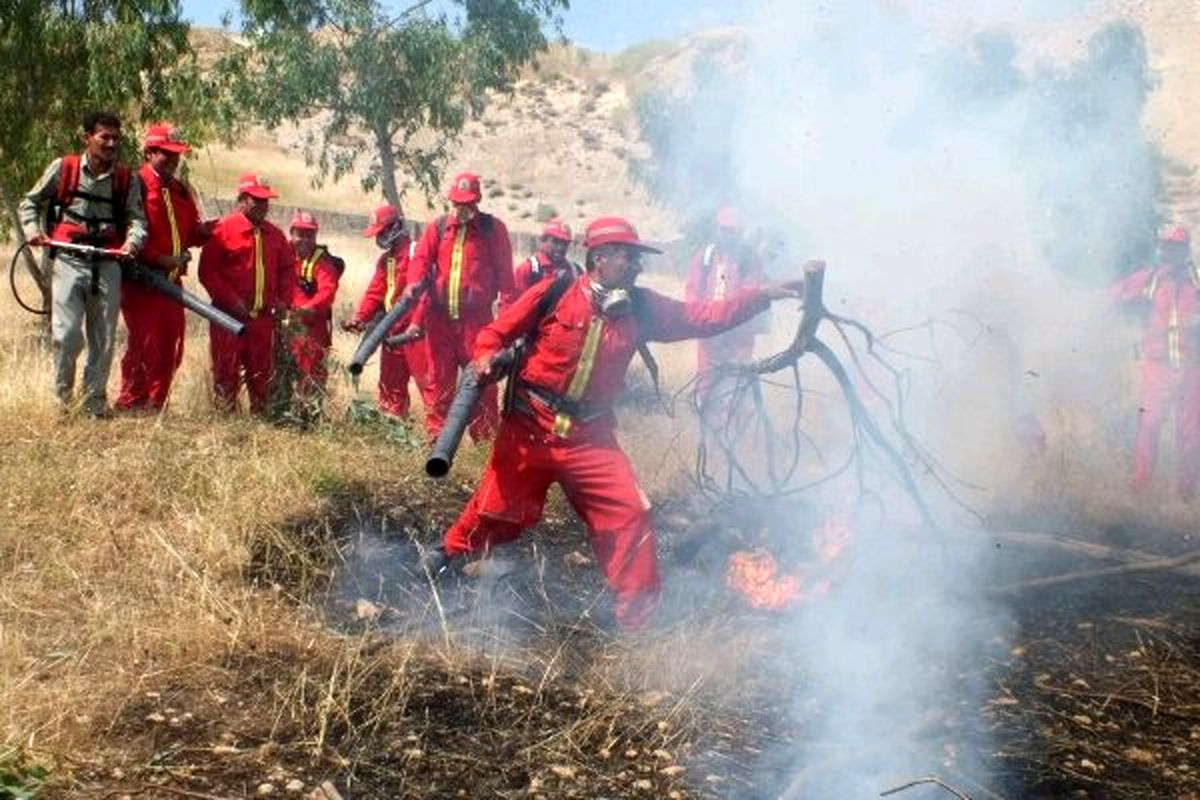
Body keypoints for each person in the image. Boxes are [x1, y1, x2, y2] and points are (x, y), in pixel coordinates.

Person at [423, 216, 806, 631]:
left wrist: (762, 295)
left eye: (637, 258)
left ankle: (637, 626)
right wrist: (484, 359)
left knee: (629, 518)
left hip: (591, 438)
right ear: (599, 259)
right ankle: (443, 559)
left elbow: (703, 316)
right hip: (530, 427)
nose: (637, 266)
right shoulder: (554, 293)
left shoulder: (641, 307)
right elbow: (495, 334)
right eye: (628, 257)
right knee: (496, 511)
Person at [19, 110, 148, 417]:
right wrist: (34, 232)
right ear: (87, 138)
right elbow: (30, 202)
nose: (111, 143)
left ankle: (94, 405)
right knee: (66, 336)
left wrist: (133, 242)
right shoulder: (64, 168)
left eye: (116, 138)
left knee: (103, 340)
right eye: (105, 137)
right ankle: (63, 404)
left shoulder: (125, 179)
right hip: (67, 262)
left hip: (107, 264)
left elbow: (137, 218)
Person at [406, 172, 515, 440]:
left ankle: (484, 439)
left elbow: (507, 282)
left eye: (466, 203)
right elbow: (420, 260)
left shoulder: (493, 230)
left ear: (477, 201)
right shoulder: (439, 227)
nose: (460, 209)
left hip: (476, 323)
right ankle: (437, 441)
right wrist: (412, 283)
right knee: (438, 381)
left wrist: (506, 326)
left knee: (482, 383)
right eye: (456, 202)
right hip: (439, 320)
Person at [115, 123, 213, 412]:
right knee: (144, 345)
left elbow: (191, 233)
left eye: (176, 154)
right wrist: (162, 260)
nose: (173, 160)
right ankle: (131, 402)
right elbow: (127, 233)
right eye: (166, 154)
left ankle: (156, 405)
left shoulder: (180, 190)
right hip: (142, 283)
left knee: (172, 346)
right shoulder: (136, 185)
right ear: (149, 152)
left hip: (172, 285)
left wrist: (205, 232)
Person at [1113, 225, 1200, 496]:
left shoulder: (1196, 281)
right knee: (1149, 427)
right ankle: (1140, 491)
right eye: (1165, 247)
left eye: (1174, 248)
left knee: (1191, 434)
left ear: (1185, 251)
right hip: (1156, 367)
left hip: (1192, 368)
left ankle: (1185, 495)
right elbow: (1111, 298)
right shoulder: (1148, 280)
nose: (1168, 253)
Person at [198, 173, 295, 413]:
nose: (263, 206)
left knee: (261, 374)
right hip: (227, 318)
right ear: (242, 199)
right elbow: (207, 273)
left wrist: (283, 300)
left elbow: (287, 269)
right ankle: (226, 421)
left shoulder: (275, 234)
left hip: (262, 319)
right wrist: (231, 300)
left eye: (266, 201)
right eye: (257, 200)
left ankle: (260, 422)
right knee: (225, 372)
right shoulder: (222, 230)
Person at [342, 203, 427, 419]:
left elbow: (426, 294)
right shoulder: (386, 260)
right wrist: (360, 318)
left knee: (430, 388)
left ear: (395, 227)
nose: (378, 239)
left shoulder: (418, 253)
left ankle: (437, 441)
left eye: (381, 233)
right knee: (391, 389)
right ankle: (394, 430)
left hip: (417, 333)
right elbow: (375, 293)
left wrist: (417, 323)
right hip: (391, 331)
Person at [684, 206, 765, 423]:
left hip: (739, 335)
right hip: (709, 332)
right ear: (717, 229)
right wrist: (700, 320)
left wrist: (729, 319)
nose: (729, 235)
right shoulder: (704, 257)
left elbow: (751, 295)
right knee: (706, 382)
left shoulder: (750, 259)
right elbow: (692, 292)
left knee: (736, 384)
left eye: (733, 231)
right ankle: (705, 427)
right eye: (725, 230)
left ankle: (733, 430)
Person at [287, 210, 342, 414]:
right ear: (291, 233)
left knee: (311, 375)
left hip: (311, 328)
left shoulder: (323, 263)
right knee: (280, 371)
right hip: (283, 322)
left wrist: (307, 309)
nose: (305, 240)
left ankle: (307, 416)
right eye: (300, 234)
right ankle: (282, 411)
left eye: (309, 235)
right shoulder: (283, 253)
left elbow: (328, 290)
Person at [512, 218, 580, 295]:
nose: (560, 247)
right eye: (555, 241)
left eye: (564, 243)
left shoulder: (574, 271)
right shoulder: (528, 269)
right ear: (543, 241)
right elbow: (509, 302)